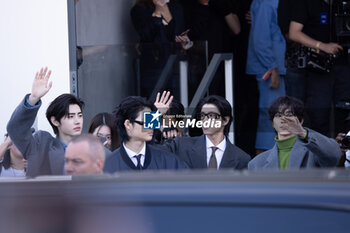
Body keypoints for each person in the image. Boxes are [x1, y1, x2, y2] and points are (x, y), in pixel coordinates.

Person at [285, 0, 350, 136]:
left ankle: (344, 153)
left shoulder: (343, 4)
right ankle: (320, 153)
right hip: (319, 66)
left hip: (344, 64)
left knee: (344, 114)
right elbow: (293, 33)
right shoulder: (307, 3)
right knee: (319, 116)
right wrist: (321, 46)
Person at [7, 67, 85, 177]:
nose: (77, 121)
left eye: (80, 115)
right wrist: (33, 99)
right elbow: (15, 129)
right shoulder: (41, 145)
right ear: (55, 121)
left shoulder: (90, 148)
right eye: (70, 116)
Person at [248, 96, 342, 170]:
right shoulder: (256, 163)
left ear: (300, 121)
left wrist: (302, 132)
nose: (283, 119)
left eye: (289, 115)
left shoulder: (314, 152)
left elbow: (334, 154)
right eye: (278, 115)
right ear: (272, 123)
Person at [162, 95, 251, 169]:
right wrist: (157, 114)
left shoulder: (241, 158)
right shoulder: (181, 145)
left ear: (225, 120)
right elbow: (151, 153)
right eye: (202, 115)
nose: (205, 120)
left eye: (211, 115)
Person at [103, 94, 187, 173]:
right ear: (128, 124)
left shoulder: (168, 160)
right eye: (145, 122)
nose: (150, 127)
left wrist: (156, 113)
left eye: (150, 121)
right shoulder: (108, 165)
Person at [246, 0, 286, 153]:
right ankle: (263, 166)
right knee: (271, 116)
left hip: (276, 65)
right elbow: (260, 40)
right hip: (269, 67)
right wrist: (271, 67)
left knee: (276, 115)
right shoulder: (267, 3)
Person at [131, 0, 187, 98]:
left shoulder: (176, 7)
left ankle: (174, 114)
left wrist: (184, 39)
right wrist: (157, 14)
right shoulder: (140, 9)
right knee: (154, 105)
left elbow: (180, 32)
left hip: (176, 65)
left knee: (176, 105)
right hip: (154, 66)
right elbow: (146, 36)